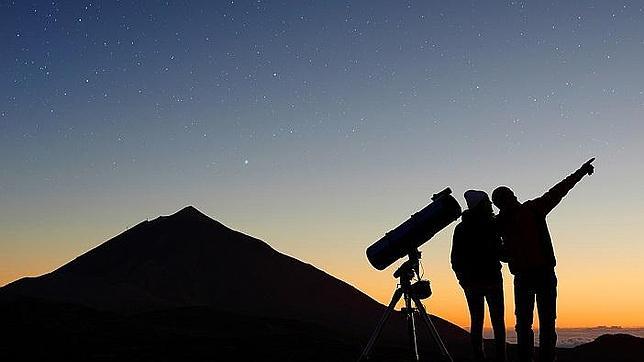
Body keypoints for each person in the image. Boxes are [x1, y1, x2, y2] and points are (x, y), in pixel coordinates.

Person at [492, 158, 595, 362]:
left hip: (524, 277)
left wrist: (509, 253)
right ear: (511, 197)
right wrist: (581, 172)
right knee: (546, 323)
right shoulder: (532, 209)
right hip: (543, 275)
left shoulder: (500, 223)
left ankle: (527, 358)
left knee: (524, 324)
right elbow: (559, 190)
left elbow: (499, 253)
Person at [451, 190, 506, 362]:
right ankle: (501, 358)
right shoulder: (491, 225)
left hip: (471, 283)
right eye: (487, 202)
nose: (490, 205)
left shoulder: (461, 229)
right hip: (492, 280)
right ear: (481, 205)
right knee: (498, 322)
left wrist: (463, 280)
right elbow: (500, 251)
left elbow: (455, 259)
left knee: (476, 321)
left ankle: (479, 357)